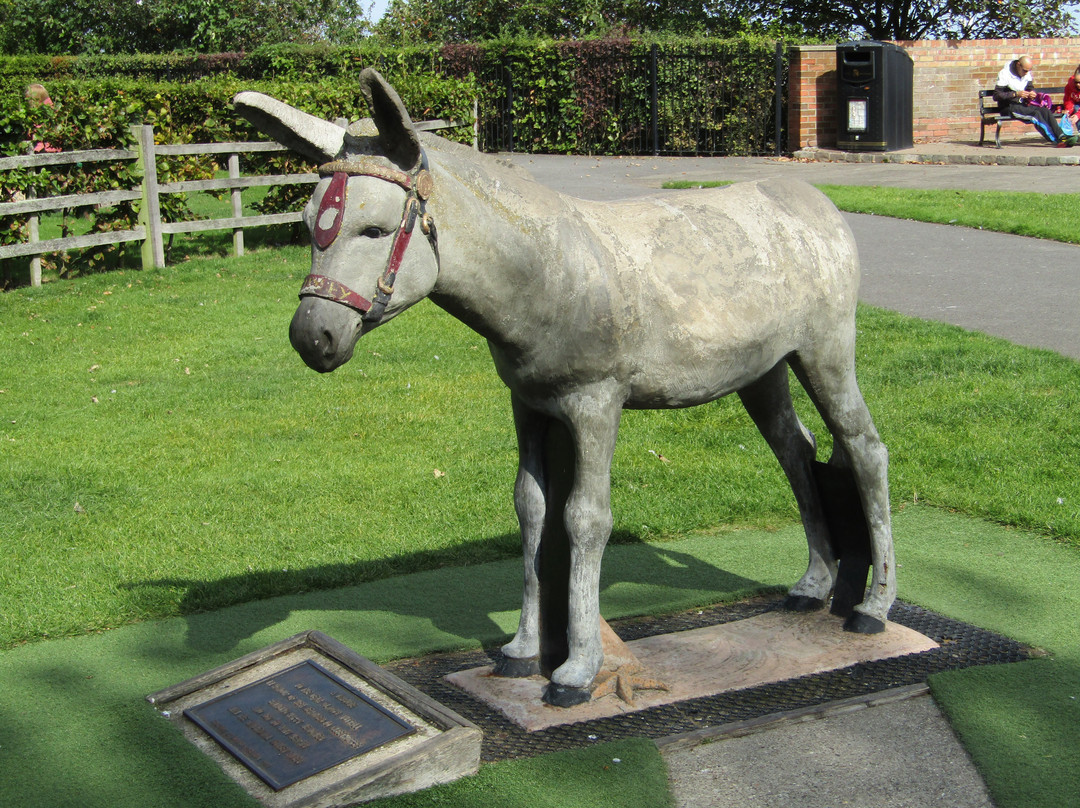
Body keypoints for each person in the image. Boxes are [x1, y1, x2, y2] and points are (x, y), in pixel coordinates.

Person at [993, 55, 1068, 146]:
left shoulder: (1026, 73)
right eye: (1024, 70)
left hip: (1022, 105)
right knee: (1035, 115)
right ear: (1018, 65)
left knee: (1044, 111)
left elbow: (1030, 88)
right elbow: (996, 96)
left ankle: (1061, 136)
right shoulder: (1004, 74)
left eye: (1028, 70)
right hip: (1009, 107)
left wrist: (1032, 93)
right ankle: (1056, 140)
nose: (1026, 73)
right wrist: (1015, 94)